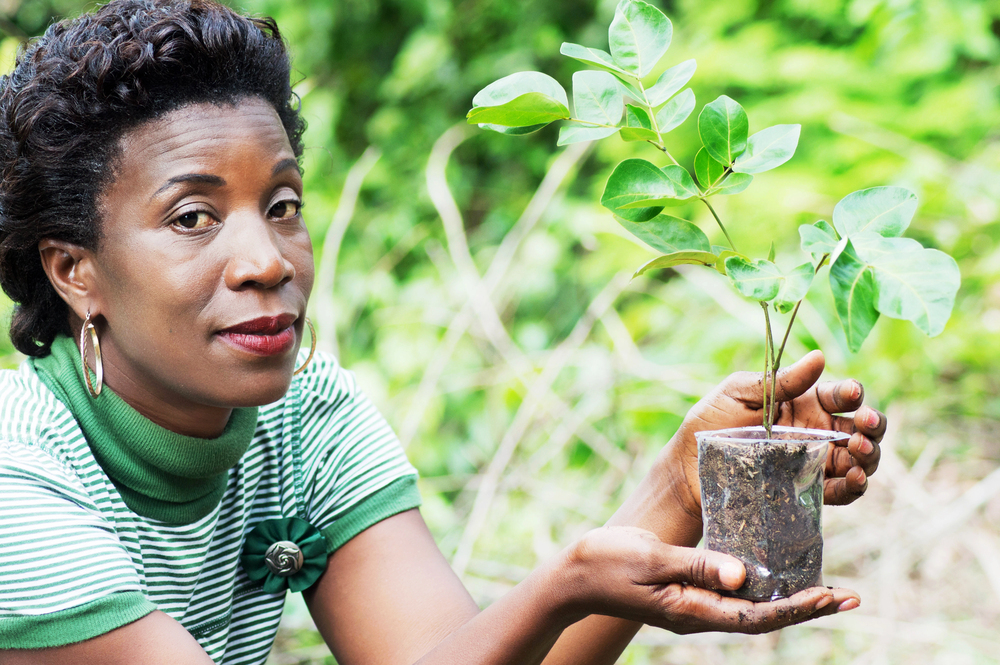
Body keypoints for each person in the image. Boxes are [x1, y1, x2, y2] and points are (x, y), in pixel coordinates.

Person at [0, 1, 885, 663]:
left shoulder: (308, 418)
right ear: (73, 269)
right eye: (193, 216)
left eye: (282, 204)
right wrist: (559, 583)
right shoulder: (17, 480)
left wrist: (680, 486)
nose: (266, 259)